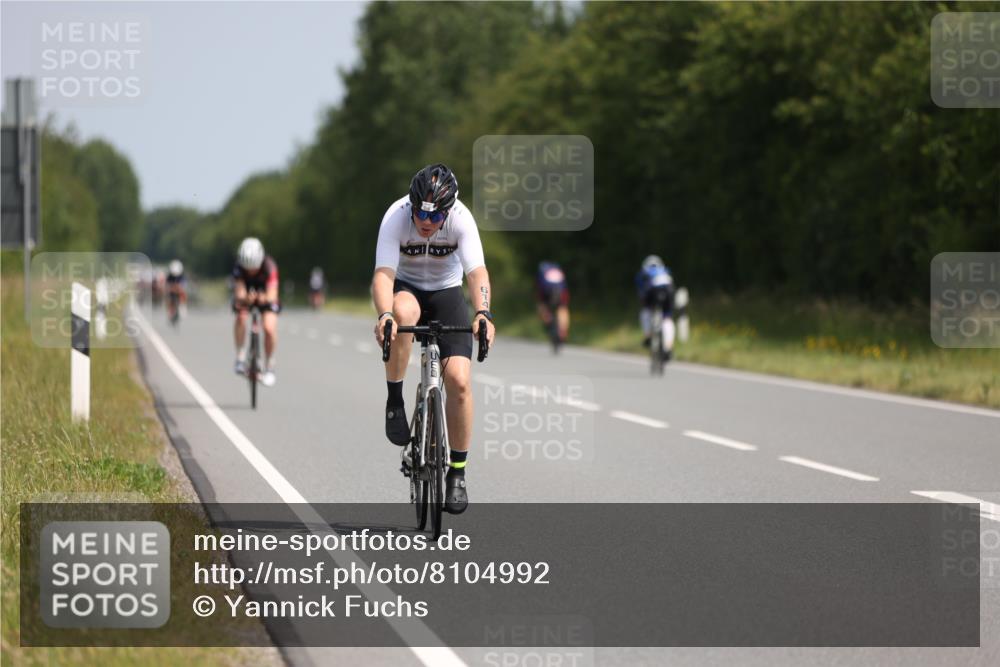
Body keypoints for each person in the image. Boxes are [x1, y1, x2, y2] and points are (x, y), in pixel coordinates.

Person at [372, 163, 496, 515]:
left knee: (459, 381)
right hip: (407, 290)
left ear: (449, 211)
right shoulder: (396, 217)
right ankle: (395, 399)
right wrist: (384, 315)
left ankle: (457, 472)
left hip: (446, 294)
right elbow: (383, 274)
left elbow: (477, 273)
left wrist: (483, 313)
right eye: (421, 214)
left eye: (436, 216)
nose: (427, 222)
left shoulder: (462, 219)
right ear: (412, 206)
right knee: (403, 315)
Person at [232, 237, 280, 387]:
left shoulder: (270, 266)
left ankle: (269, 365)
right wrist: (246, 298)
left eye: (254, 268)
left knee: (269, 328)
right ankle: (240, 356)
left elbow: (273, 294)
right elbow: (239, 292)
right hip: (247, 294)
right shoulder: (239, 268)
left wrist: (263, 298)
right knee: (241, 317)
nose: (250, 271)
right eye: (247, 268)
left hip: (265, 295)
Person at [636, 255, 676, 359]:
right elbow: (672, 284)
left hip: (652, 290)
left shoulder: (643, 273)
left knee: (646, 312)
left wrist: (645, 303)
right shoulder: (666, 270)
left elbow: (641, 291)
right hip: (668, 290)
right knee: (667, 319)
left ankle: (648, 335)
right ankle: (668, 347)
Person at [535, 261, 570, 349]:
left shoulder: (542, 272)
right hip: (561, 291)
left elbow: (539, 287)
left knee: (542, 306)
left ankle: (548, 321)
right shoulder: (558, 271)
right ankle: (563, 331)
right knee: (562, 308)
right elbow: (565, 284)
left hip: (546, 292)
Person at [165, 259, 188, 324]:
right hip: (172, 292)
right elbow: (167, 285)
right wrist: (171, 288)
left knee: (183, 294)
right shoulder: (169, 276)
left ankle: (182, 306)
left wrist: (179, 288)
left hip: (179, 292)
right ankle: (170, 310)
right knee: (168, 298)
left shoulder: (182, 276)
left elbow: (184, 285)